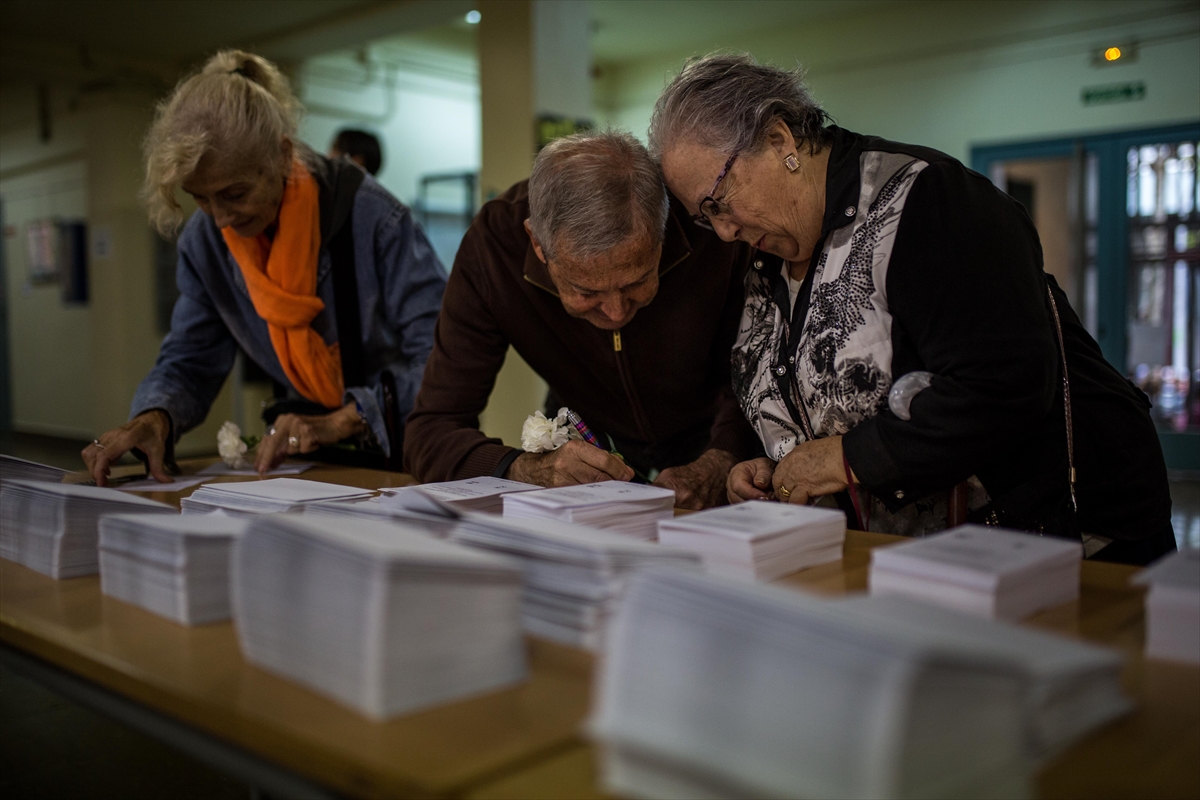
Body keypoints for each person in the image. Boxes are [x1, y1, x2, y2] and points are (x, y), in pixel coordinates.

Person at [648, 53, 1175, 563]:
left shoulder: (927, 200)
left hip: (1057, 547)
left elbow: (1004, 384)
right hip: (908, 565)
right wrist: (764, 462)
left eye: (719, 200)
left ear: (778, 138)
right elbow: (792, 392)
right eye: (703, 217)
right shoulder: (763, 264)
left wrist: (846, 459)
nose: (723, 230)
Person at [82, 51, 446, 485]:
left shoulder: (372, 218)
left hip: (411, 449)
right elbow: (191, 359)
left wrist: (350, 417)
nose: (219, 218)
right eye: (199, 198)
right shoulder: (206, 241)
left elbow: (444, 356)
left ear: (281, 156)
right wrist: (155, 417)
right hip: (311, 460)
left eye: (234, 193)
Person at [403, 130, 762, 509]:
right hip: (588, 448)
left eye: (637, 281)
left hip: (720, 443)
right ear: (537, 245)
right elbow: (431, 431)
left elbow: (757, 377)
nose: (616, 311)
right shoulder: (494, 247)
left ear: (664, 229)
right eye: (586, 292)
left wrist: (724, 456)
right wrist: (527, 469)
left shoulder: (710, 223)